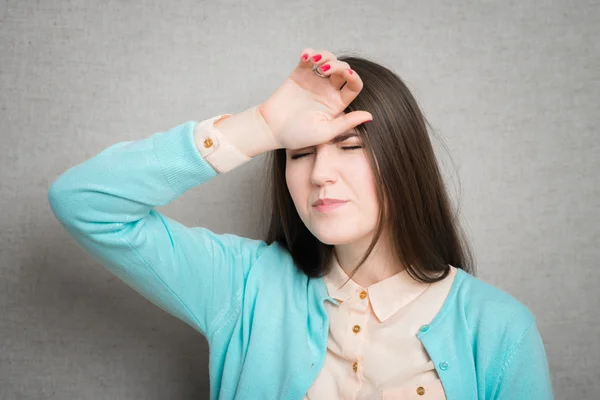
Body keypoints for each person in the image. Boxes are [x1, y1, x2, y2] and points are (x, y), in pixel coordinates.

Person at [48, 47, 553, 399]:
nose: (319, 175)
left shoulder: (499, 329)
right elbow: (84, 202)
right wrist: (262, 127)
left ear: (403, 161)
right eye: (300, 153)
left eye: (350, 148)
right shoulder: (243, 286)